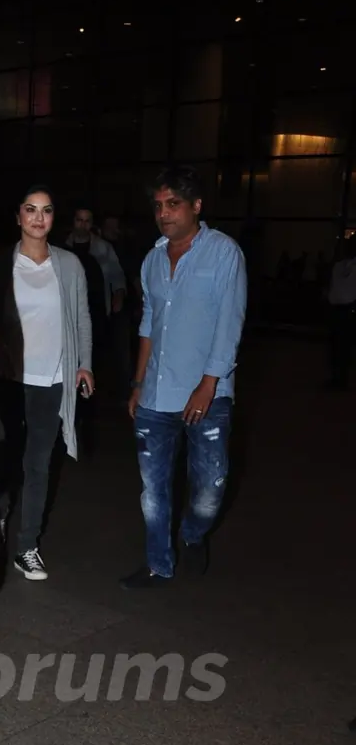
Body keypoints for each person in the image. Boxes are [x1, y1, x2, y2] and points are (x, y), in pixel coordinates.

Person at [121, 164, 247, 589]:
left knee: (211, 488)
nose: (164, 213)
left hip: (208, 395)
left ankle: (194, 534)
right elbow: (148, 326)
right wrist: (138, 384)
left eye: (173, 204)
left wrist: (208, 384)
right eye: (158, 206)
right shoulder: (152, 260)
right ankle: (159, 564)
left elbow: (230, 323)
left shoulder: (224, 252)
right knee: (153, 493)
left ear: (196, 206)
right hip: (156, 394)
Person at [0, 186, 93, 580]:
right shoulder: (0, 264)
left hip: (51, 380)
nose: (38, 218)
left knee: (38, 465)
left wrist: (84, 365)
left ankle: (27, 545)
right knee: (3, 459)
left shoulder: (68, 265)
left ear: (54, 218)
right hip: (7, 380)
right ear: (18, 216)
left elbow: (81, 317)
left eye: (46, 210)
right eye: (30, 210)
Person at [326, 234, 356, 390]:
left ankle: (341, 379)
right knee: (334, 345)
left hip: (348, 310)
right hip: (335, 309)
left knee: (344, 346)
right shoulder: (338, 266)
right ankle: (335, 377)